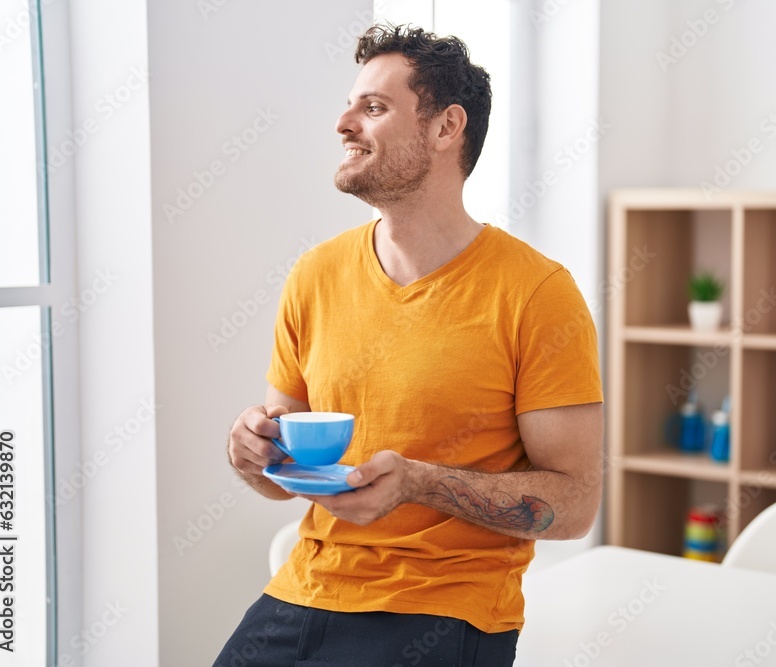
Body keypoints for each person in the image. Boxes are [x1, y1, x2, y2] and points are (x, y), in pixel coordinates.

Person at [215, 23, 603, 667]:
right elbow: (284, 479)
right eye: (349, 104)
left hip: (446, 607)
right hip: (304, 590)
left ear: (446, 127)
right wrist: (250, 454)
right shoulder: (314, 275)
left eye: (373, 107)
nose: (343, 123)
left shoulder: (537, 294)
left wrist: (419, 484)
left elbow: (573, 507)